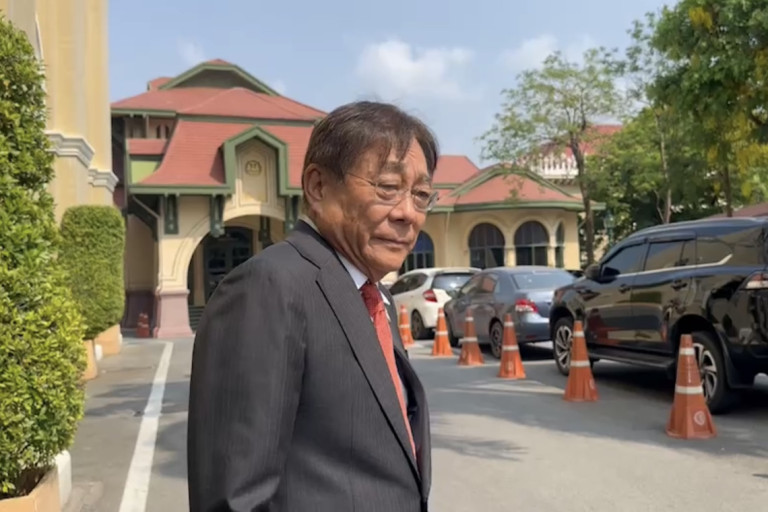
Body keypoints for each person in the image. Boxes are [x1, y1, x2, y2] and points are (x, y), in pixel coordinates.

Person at [187, 100, 440, 512]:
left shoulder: (376, 298)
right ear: (318, 186)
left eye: (422, 195)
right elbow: (235, 500)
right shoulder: (268, 288)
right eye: (388, 187)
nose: (408, 214)